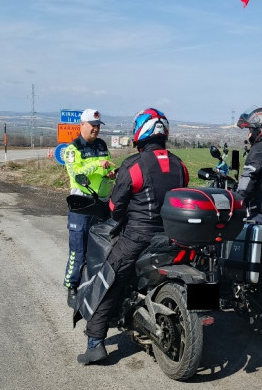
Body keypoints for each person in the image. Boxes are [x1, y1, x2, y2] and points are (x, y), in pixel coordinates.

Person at [77, 108, 189, 365]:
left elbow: (116, 208)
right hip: (172, 237)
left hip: (138, 237)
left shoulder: (134, 165)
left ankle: (95, 342)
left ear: (141, 132)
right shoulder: (179, 165)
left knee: (108, 279)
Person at [63, 109, 116, 300]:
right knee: (78, 250)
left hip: (101, 203)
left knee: (100, 249)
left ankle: (95, 284)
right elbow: (77, 176)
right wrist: (97, 166)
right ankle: (72, 285)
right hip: (81, 205)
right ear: (82, 125)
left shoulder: (102, 145)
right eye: (92, 126)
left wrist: (109, 173)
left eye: (98, 126)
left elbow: (107, 166)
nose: (96, 129)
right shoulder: (73, 149)